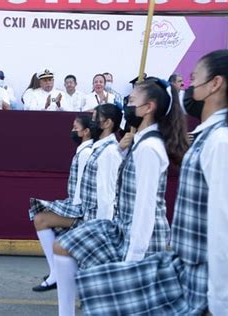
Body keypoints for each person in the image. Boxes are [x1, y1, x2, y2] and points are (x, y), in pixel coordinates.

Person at [73, 47, 228, 316]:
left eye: (194, 80)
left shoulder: (222, 142)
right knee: (99, 294)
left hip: (218, 287)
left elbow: (227, 235)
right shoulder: (215, 137)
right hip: (198, 274)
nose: (188, 88)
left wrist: (222, 307)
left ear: (215, 84)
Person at [54, 77, 189, 316]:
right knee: (64, 247)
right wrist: (123, 148)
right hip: (124, 228)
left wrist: (133, 258)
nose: (127, 106)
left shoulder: (149, 148)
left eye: (132, 101)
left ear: (148, 108)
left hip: (142, 237)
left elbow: (145, 207)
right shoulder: (140, 142)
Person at [29, 115, 95, 293]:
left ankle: (56, 274)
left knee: (40, 219)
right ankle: (56, 272)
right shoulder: (84, 150)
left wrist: (72, 209)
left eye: (75, 128)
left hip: (81, 210)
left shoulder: (86, 153)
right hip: (78, 206)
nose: (72, 131)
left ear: (86, 132)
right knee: (40, 216)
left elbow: (83, 186)